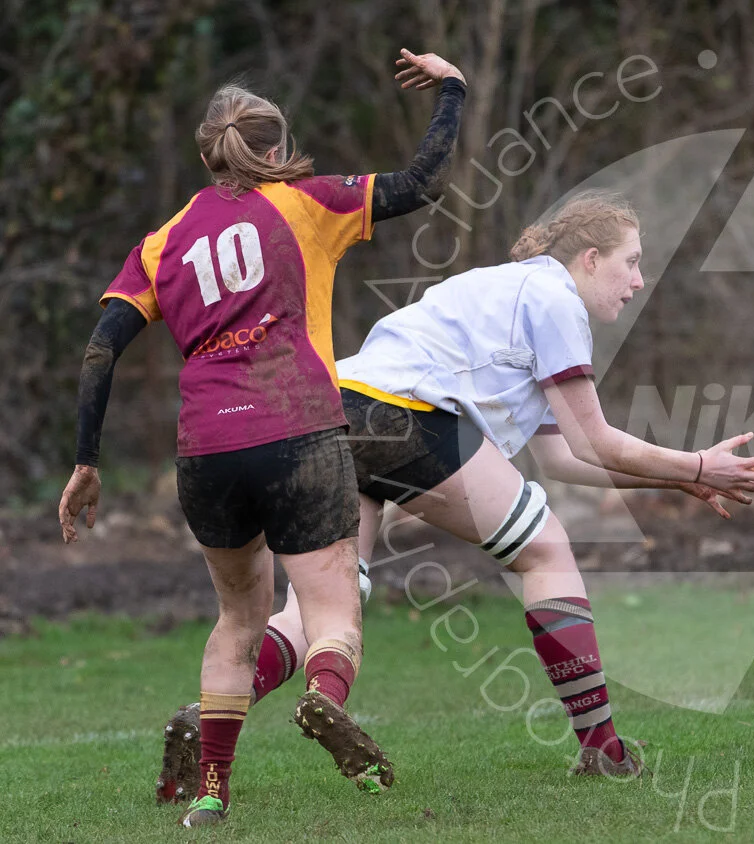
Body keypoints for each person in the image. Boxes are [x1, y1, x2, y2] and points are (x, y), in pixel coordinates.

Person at [151, 190, 754, 788]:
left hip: (329, 409)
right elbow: (595, 440)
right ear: (589, 260)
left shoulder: (500, 290)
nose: (639, 281)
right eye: (631, 263)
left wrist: (679, 479)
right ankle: (602, 750)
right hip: (404, 418)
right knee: (544, 551)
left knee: (326, 601)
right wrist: (698, 466)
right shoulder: (557, 299)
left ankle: (210, 713)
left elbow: (562, 457)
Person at [58, 49, 469, 826]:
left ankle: (212, 794)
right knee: (332, 608)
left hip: (206, 452)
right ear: (274, 150)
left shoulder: (162, 241)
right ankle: (322, 699)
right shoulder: (307, 202)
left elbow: (100, 347)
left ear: (208, 152)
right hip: (299, 435)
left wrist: (86, 460)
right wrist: (451, 90)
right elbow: (422, 183)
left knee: (239, 621)